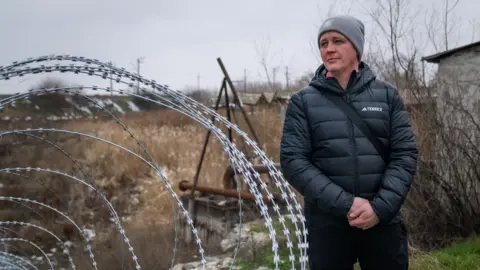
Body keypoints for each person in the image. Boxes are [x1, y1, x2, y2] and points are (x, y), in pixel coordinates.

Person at [280, 15, 418, 270]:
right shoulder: (302, 102)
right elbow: (293, 162)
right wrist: (347, 204)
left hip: (382, 223)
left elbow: (404, 154)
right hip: (327, 225)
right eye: (323, 43)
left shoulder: (387, 96)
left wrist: (379, 208)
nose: (328, 49)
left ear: (356, 47)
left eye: (337, 41)